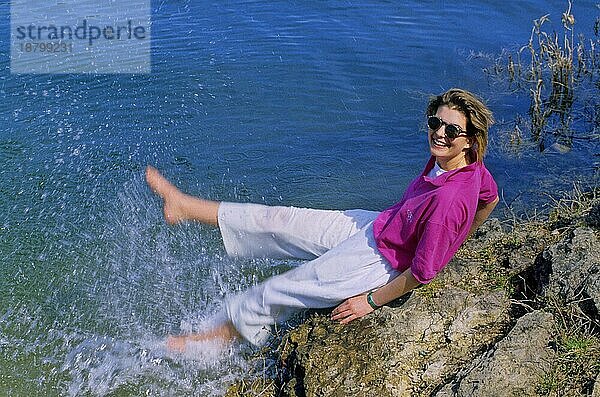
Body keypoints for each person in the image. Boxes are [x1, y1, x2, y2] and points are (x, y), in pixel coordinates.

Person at [145, 88, 500, 351]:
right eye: (436, 123)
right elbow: (491, 196)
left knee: (280, 289)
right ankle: (184, 205)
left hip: (380, 262)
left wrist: (371, 301)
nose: (440, 133)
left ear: (470, 140)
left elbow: (424, 272)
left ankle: (205, 344)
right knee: (280, 220)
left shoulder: (449, 201)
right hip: (379, 226)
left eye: (452, 130)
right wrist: (459, 236)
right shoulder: (463, 164)